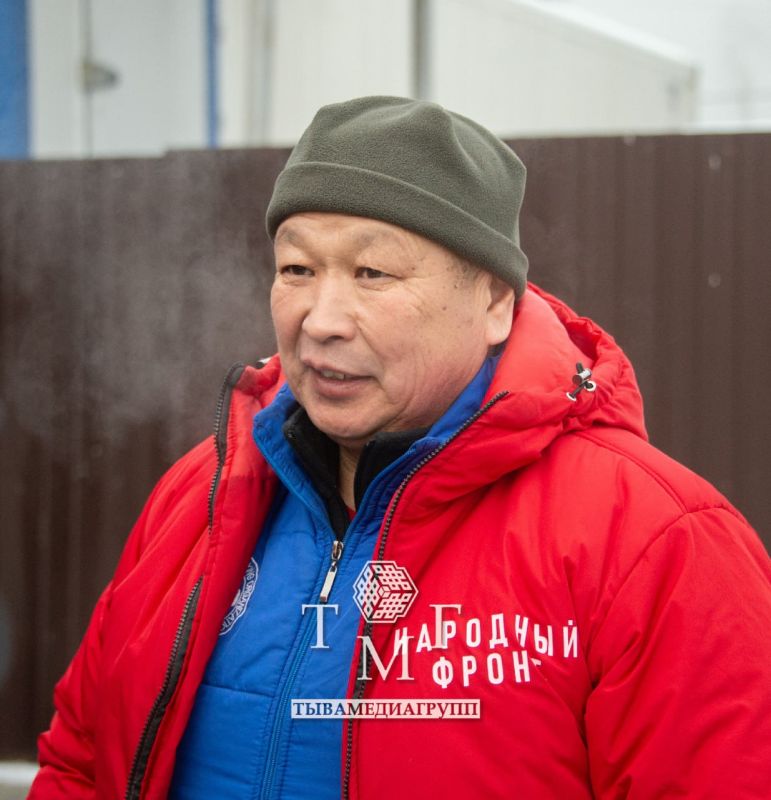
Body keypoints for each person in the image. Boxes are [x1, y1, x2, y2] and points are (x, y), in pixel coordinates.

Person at [30, 96, 771, 800]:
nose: (321, 319)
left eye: (372, 273)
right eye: (297, 269)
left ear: (493, 302)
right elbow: (84, 761)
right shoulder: (205, 495)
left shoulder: (655, 540)